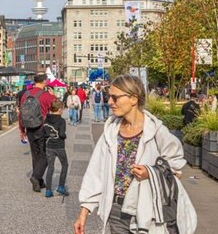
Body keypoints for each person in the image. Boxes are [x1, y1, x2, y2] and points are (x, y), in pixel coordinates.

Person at [74, 74, 190, 234]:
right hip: (117, 212)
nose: (109, 102)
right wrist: (84, 212)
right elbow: (95, 172)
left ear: (133, 99)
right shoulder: (110, 132)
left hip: (148, 212)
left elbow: (176, 170)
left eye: (115, 98)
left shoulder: (157, 132)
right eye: (109, 97)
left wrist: (151, 173)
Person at [18, 72, 56, 193]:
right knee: (46, 154)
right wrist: (53, 96)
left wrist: (22, 130)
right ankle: (36, 177)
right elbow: (58, 107)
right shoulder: (46, 95)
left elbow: (21, 113)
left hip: (29, 127)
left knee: (35, 155)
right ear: (44, 81)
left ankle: (38, 182)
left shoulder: (26, 95)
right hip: (42, 127)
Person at [43, 100, 69, 198]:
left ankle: (48, 190)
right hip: (59, 147)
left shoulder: (46, 119)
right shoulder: (61, 120)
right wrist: (65, 136)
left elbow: (45, 132)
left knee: (50, 166)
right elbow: (62, 134)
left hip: (49, 146)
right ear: (59, 110)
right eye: (62, 109)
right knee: (65, 165)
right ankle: (61, 186)